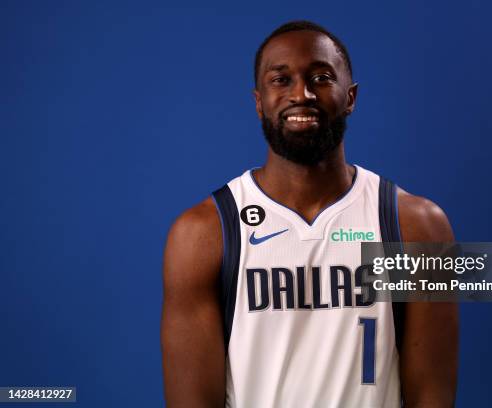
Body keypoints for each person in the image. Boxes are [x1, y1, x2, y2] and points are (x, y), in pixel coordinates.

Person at [161, 20, 458, 408]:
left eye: (320, 77)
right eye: (280, 80)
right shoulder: (204, 233)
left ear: (350, 97)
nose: (301, 93)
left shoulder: (415, 224)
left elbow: (432, 394)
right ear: (258, 101)